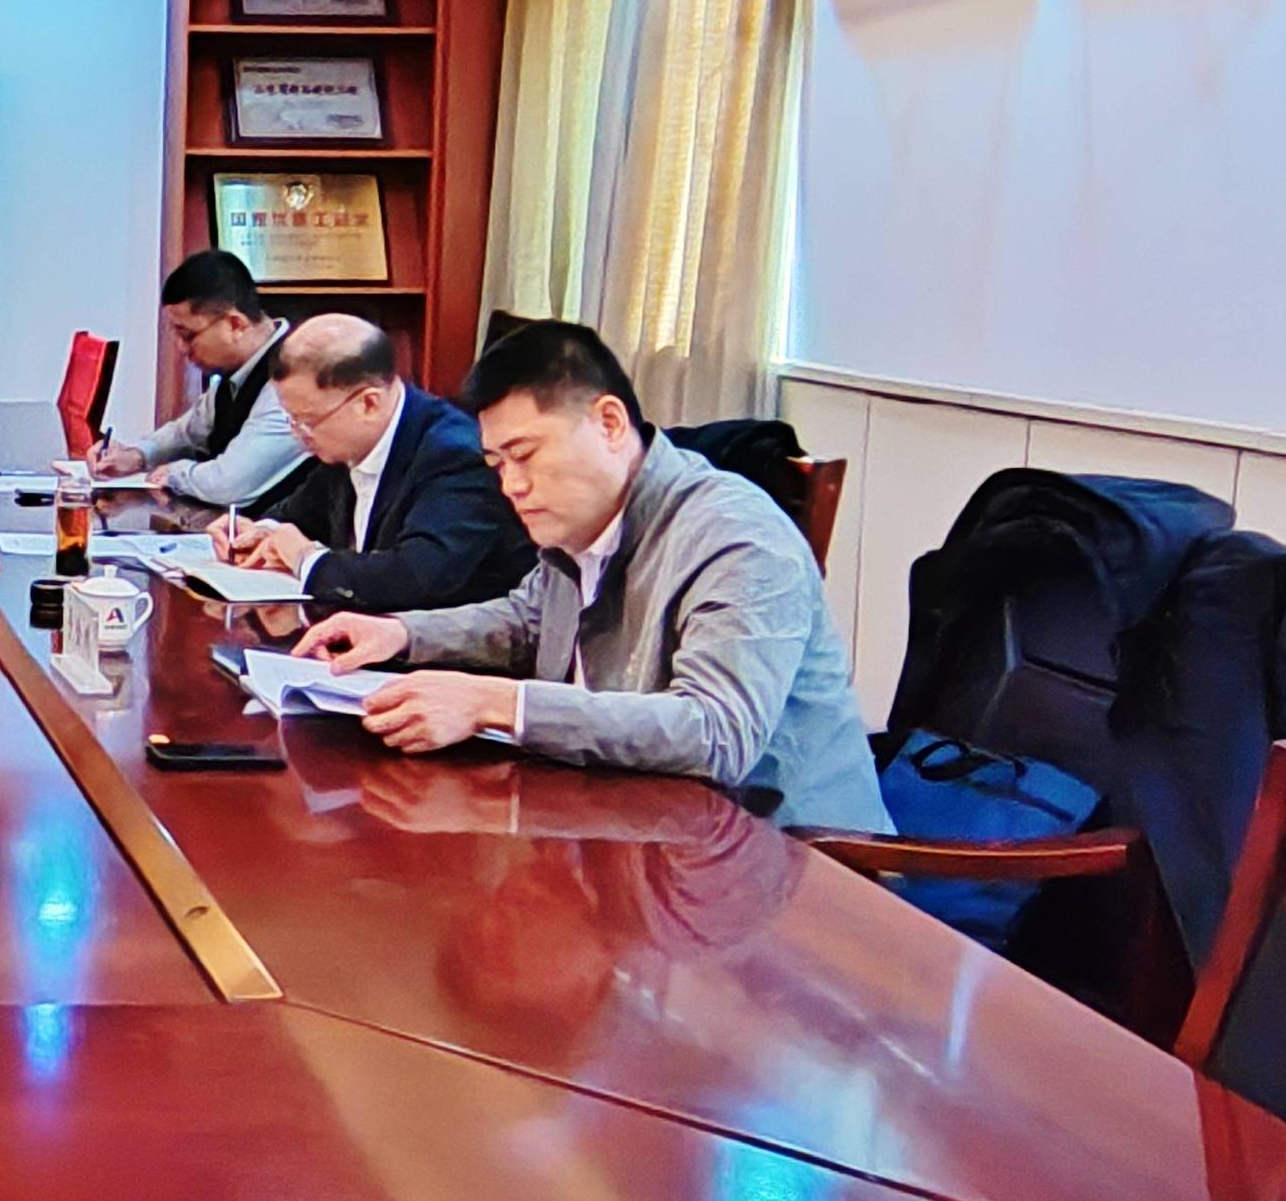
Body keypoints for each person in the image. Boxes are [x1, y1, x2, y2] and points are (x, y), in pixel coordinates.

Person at [293, 317, 887, 832]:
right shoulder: (583, 521)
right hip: (636, 822)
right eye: (497, 464)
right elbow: (529, 622)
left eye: (526, 456)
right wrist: (401, 633)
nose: (511, 486)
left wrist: (495, 702)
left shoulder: (736, 535)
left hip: (785, 858)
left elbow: (715, 733)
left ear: (609, 423)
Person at [202, 313, 530, 619]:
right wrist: (258, 533)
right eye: (292, 419)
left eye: (307, 421)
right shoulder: (345, 444)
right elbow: (297, 516)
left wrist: (304, 558)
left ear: (369, 403)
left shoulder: (455, 456)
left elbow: (415, 577)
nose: (298, 435)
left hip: (446, 651)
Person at [91, 248, 301, 512]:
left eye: (188, 335)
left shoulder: (295, 375)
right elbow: (187, 433)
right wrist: (136, 455)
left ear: (235, 325)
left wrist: (173, 474)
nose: (181, 348)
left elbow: (229, 484)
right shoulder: (235, 372)